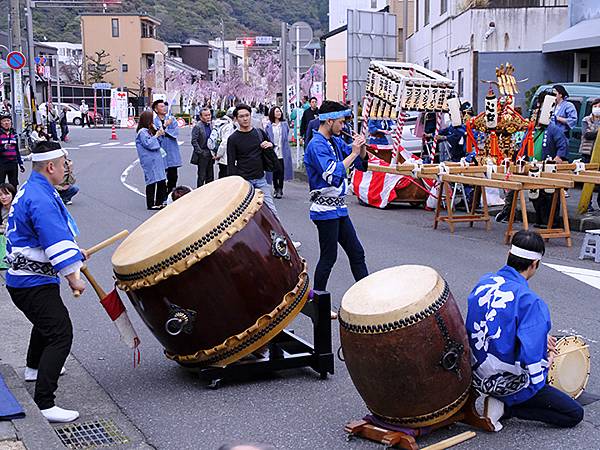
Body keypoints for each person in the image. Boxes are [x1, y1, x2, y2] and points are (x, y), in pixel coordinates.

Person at [466, 230, 584, 431]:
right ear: (534, 264)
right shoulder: (531, 302)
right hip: (505, 382)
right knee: (573, 414)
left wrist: (537, 338)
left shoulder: (483, 283)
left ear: (509, 256)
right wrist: (547, 357)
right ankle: (507, 407)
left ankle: (501, 403)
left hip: (475, 376)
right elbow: (533, 363)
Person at [4, 140, 87, 423]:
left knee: (46, 324)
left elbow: (45, 238)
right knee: (61, 333)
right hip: (31, 282)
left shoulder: (33, 187)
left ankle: (33, 369)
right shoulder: (39, 197)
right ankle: (45, 403)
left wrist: (75, 253)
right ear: (50, 166)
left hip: (24, 278)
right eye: (64, 165)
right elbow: (54, 241)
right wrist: (74, 277)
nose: (66, 169)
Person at [303, 100, 369, 295]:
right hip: (324, 210)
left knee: (357, 252)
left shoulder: (335, 141)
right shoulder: (316, 145)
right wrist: (354, 152)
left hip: (339, 208)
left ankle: (367, 296)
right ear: (329, 121)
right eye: (341, 122)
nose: (344, 126)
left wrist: (361, 148)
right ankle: (318, 299)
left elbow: (358, 161)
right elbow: (332, 175)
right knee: (329, 256)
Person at [227, 104, 278, 217]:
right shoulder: (233, 139)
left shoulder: (259, 133)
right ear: (236, 118)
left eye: (247, 115)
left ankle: (278, 235)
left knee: (272, 212)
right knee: (244, 216)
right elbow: (231, 163)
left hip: (260, 179)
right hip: (244, 182)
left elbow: (269, 145)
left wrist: (270, 145)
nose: (245, 118)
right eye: (241, 116)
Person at [136, 111, 167, 210]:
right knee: (152, 181)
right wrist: (156, 136)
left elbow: (158, 142)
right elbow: (148, 144)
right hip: (149, 160)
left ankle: (159, 201)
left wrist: (159, 133)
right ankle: (151, 203)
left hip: (156, 158)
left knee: (161, 180)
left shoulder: (149, 130)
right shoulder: (142, 132)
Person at [153, 100, 182, 192]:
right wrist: (165, 126)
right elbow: (156, 135)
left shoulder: (171, 119)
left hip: (172, 150)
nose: (164, 108)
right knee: (161, 177)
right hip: (160, 151)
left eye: (164, 106)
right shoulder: (154, 122)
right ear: (156, 109)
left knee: (173, 176)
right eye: (161, 106)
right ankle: (162, 197)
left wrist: (164, 131)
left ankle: (171, 194)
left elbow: (175, 132)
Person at [265, 106, 293, 199]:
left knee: (281, 170)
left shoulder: (284, 124)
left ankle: (280, 189)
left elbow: (287, 135)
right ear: (272, 113)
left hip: (283, 150)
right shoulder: (269, 126)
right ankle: (275, 188)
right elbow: (266, 137)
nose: (279, 113)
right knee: (274, 171)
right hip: (273, 151)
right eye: (277, 112)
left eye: (279, 111)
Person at [580, 98, 600, 212]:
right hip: (587, 153)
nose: (597, 108)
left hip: (598, 154)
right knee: (588, 180)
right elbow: (586, 134)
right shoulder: (586, 119)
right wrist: (598, 132)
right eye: (596, 106)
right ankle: (587, 203)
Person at [190, 107, 215, 187]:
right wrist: (200, 152)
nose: (208, 117)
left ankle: (210, 192)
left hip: (210, 153)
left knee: (210, 176)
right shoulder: (198, 126)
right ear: (201, 117)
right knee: (202, 176)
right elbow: (194, 141)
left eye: (209, 115)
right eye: (206, 115)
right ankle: (199, 192)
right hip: (202, 153)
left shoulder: (211, 125)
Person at [0, 114, 25, 187]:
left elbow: (17, 150)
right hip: (2, 163)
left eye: (8, 121)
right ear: (1, 123)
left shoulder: (14, 135)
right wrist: (3, 148)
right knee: (1, 184)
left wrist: (20, 163)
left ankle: (14, 198)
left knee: (14, 184)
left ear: (11, 123)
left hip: (13, 163)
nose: (6, 123)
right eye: (4, 121)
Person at [213, 107, 237, 179]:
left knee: (223, 176)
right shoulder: (230, 126)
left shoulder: (220, 123)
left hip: (223, 158)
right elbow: (225, 142)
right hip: (226, 157)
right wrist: (219, 154)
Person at [0, 182, 16, 270]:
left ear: (12, 194)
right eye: (0, 195)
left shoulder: (17, 208)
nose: (3, 197)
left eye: (6, 194)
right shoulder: (1, 209)